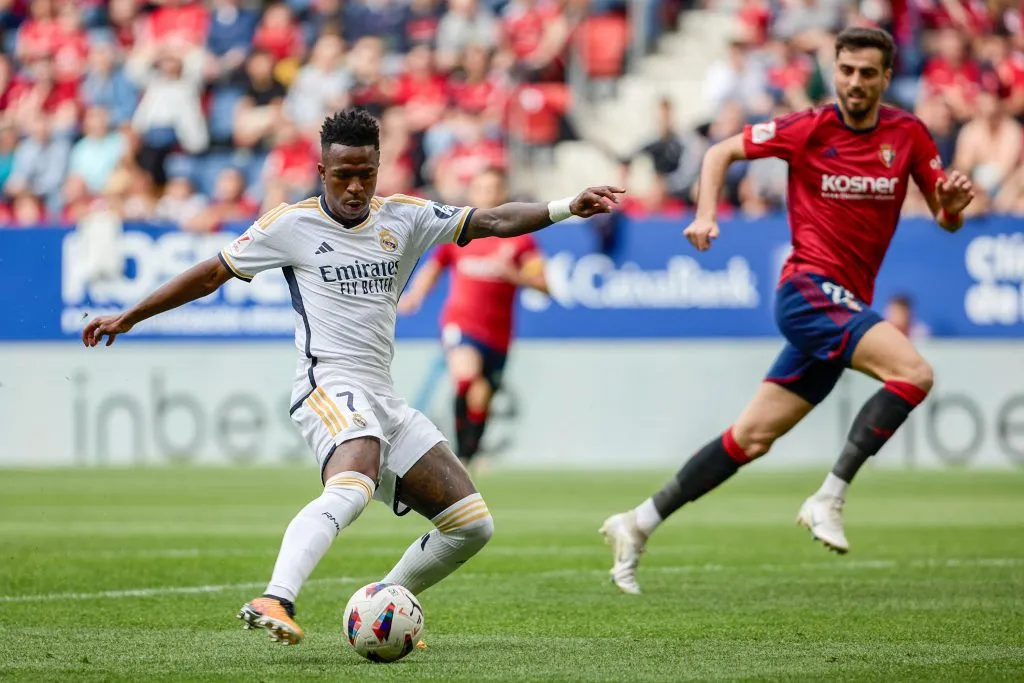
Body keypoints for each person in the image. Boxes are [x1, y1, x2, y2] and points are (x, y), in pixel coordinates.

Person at [82, 107, 623, 643]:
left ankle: (381, 603)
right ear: (322, 172)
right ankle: (276, 595)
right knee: (357, 474)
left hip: (383, 397)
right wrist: (130, 316)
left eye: (366, 173)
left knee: (471, 525)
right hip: (326, 385)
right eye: (343, 175)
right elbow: (210, 275)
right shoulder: (291, 225)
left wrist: (565, 208)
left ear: (379, 166)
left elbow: (492, 221)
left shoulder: (404, 216)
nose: (356, 187)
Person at [599, 27, 975, 595]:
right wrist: (705, 213)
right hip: (808, 291)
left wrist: (949, 209)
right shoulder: (809, 127)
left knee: (751, 437)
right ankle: (830, 496)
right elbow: (722, 149)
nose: (855, 82)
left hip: (843, 305)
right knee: (914, 373)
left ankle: (638, 522)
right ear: (836, 69)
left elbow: (947, 219)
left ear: (884, 78)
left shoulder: (909, 135)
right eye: (846, 70)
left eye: (867, 73)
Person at [398, 167, 548, 467]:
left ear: (503, 192)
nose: (488, 194)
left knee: (480, 396)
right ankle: (458, 457)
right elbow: (435, 265)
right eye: (482, 188)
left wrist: (514, 275)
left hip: (498, 334)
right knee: (466, 379)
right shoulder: (460, 233)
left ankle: (466, 458)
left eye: (494, 188)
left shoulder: (520, 241)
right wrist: (415, 295)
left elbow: (544, 284)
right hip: (461, 324)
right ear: (473, 192)